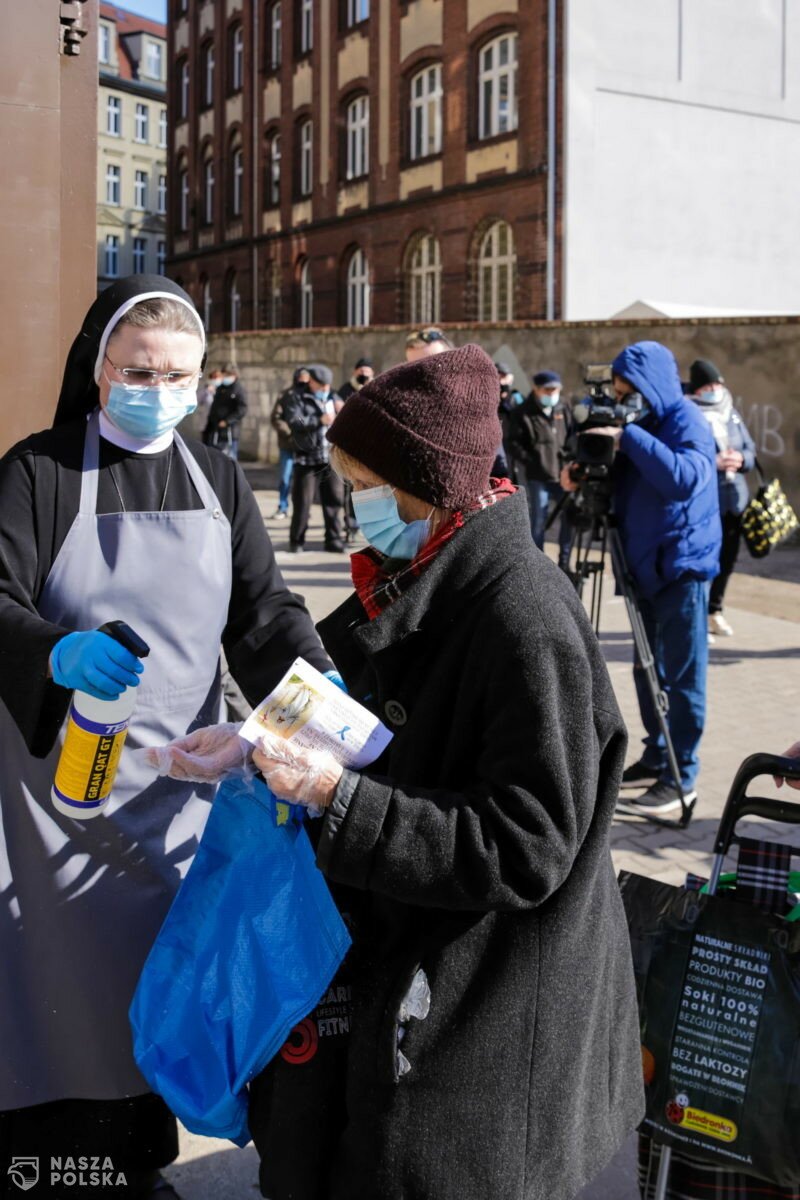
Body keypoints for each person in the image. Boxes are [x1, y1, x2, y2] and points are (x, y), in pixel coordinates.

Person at [157, 344, 645, 1200]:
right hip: (394, 988)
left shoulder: (523, 616)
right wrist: (257, 741)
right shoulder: (415, 575)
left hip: (482, 1025)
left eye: (364, 481)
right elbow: (353, 708)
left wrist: (332, 797)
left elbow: (528, 842)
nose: (355, 501)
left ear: (425, 484)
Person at [0, 276, 333, 1197]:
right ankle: (52, 1170)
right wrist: (53, 652)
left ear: (200, 380)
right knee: (55, 998)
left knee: (157, 993)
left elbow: (264, 613)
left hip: (175, 798)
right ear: (99, 370)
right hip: (52, 797)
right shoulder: (37, 471)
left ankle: (138, 1166)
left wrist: (314, 685)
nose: (158, 389)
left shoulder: (218, 477)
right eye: (138, 371)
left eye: (177, 375)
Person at [562, 341, 721, 815]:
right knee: (645, 668)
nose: (626, 399)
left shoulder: (686, 420)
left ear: (652, 386)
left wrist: (628, 436)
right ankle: (657, 755)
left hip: (681, 567)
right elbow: (618, 482)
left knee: (682, 675)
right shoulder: (642, 423)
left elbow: (687, 478)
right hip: (642, 567)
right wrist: (581, 472)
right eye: (620, 390)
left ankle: (681, 776)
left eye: (631, 390)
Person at [688, 358, 756, 641]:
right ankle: (698, 616)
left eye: (718, 383)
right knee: (707, 560)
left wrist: (741, 459)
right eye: (709, 385)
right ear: (697, 388)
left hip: (734, 500)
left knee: (728, 559)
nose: (715, 389)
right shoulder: (690, 414)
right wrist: (712, 461)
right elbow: (689, 455)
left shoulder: (731, 413)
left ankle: (715, 609)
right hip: (707, 500)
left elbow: (750, 448)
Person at [508, 369, 573, 567]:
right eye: (548, 390)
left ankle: (564, 561)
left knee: (569, 517)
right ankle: (538, 564)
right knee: (538, 520)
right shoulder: (523, 412)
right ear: (536, 389)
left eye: (556, 390)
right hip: (538, 476)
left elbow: (571, 435)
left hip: (563, 475)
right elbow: (514, 443)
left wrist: (569, 460)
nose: (552, 394)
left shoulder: (563, 408)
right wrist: (532, 460)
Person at [283, 363, 346, 553]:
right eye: (321, 386)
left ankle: (333, 539)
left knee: (334, 500)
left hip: (330, 458)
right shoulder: (297, 397)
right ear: (312, 382)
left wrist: (343, 412)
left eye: (327, 386)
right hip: (306, 459)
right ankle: (297, 540)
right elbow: (294, 421)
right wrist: (318, 421)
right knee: (303, 502)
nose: (325, 390)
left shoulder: (334, 396)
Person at [336, 358, 375, 541]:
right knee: (352, 489)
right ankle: (351, 526)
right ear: (354, 372)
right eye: (361, 372)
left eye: (367, 373)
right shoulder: (345, 391)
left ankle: (368, 525)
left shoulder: (376, 388)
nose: (364, 376)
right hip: (350, 448)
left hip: (370, 447)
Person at [270, 367, 309, 520]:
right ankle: (283, 506)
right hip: (287, 444)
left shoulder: (310, 396)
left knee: (304, 481)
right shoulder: (286, 395)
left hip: (305, 446)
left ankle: (303, 508)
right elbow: (276, 418)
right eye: (301, 379)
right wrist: (289, 432)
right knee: (285, 478)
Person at [203, 360, 247, 459]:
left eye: (227, 374)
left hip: (229, 431)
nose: (225, 377)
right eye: (224, 374)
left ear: (234, 375)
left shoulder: (238, 389)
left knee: (229, 459)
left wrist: (227, 421)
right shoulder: (221, 388)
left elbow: (242, 409)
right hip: (214, 429)